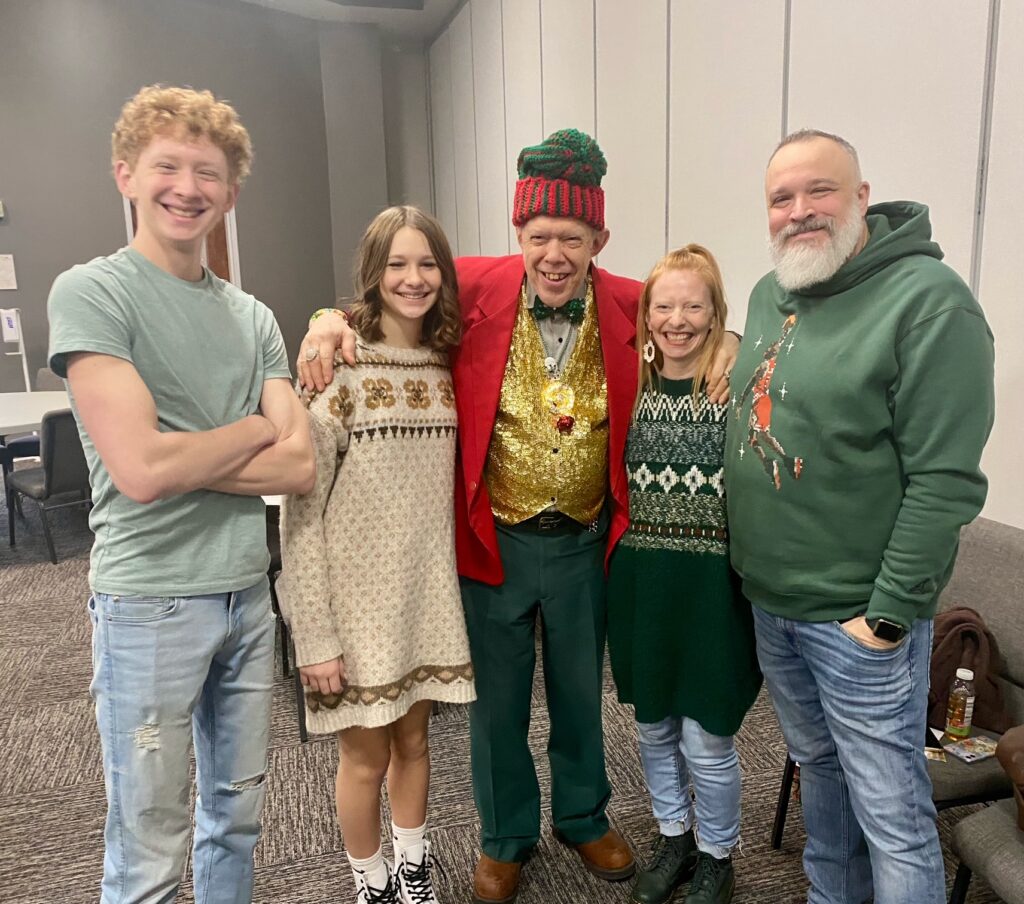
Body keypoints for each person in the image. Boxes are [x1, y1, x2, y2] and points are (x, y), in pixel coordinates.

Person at [297, 129, 739, 904]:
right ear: (519, 234)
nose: (556, 253)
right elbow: (393, 290)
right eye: (540, 236)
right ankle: (504, 836)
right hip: (491, 537)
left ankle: (582, 813)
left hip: (584, 539)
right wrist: (325, 320)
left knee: (579, 693)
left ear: (599, 238)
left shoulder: (630, 302)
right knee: (495, 705)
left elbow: (696, 313)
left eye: (573, 237)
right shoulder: (475, 286)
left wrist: (734, 340)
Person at [46, 85, 315, 903]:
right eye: (168, 166)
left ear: (230, 193)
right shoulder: (92, 293)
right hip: (149, 604)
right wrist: (251, 430)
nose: (187, 188)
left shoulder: (253, 316)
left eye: (208, 172)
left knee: (235, 820)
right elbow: (142, 473)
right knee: (150, 843)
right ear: (125, 174)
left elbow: (300, 467)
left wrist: (181, 446)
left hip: (245, 594)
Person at [725, 129, 995, 904]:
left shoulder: (930, 304)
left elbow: (944, 483)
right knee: (825, 780)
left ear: (863, 199)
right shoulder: (772, 291)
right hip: (774, 607)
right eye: (782, 197)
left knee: (893, 814)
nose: (800, 211)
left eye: (821, 191)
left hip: (858, 623)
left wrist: (885, 618)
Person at [276, 206, 476, 904]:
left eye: (427, 264)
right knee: (363, 758)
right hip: (352, 609)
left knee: (416, 746)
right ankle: (371, 882)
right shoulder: (336, 372)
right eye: (397, 264)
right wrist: (315, 635)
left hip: (425, 598)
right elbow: (299, 515)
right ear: (372, 274)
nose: (413, 278)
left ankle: (413, 865)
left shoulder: (448, 364)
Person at [607, 245, 761, 904]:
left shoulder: (735, 384)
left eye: (694, 306)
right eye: (663, 306)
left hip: (712, 594)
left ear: (715, 313)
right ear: (645, 315)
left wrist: (736, 342)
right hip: (644, 586)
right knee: (654, 727)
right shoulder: (629, 384)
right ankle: (673, 837)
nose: (677, 320)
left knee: (708, 739)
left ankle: (717, 853)